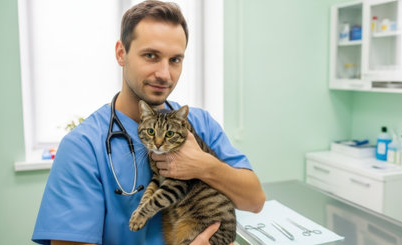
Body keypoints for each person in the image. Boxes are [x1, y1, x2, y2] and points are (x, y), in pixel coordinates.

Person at [31, 1, 265, 244]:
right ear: (121, 54)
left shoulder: (200, 123)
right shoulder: (82, 147)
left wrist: (204, 166)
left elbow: (254, 200)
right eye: (151, 56)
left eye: (175, 59)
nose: (165, 74)